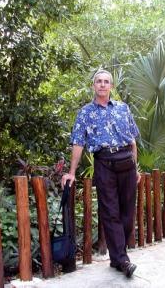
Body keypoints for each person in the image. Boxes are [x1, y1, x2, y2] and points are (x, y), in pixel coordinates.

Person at [61, 69, 140, 278]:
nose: (103, 85)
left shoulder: (123, 109)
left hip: (127, 164)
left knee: (127, 212)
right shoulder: (85, 113)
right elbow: (78, 142)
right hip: (104, 163)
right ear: (93, 86)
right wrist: (71, 172)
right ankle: (123, 260)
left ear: (111, 86)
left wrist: (136, 167)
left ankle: (116, 257)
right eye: (99, 81)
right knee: (110, 211)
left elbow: (133, 141)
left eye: (106, 82)